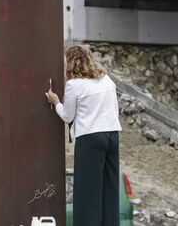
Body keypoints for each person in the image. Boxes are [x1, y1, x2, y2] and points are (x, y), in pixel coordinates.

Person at [45, 45, 122, 226]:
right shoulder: (107, 80)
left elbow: (67, 116)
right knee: (109, 189)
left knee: (88, 192)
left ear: (70, 63)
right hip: (112, 135)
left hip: (90, 138)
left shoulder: (74, 85)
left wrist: (56, 102)